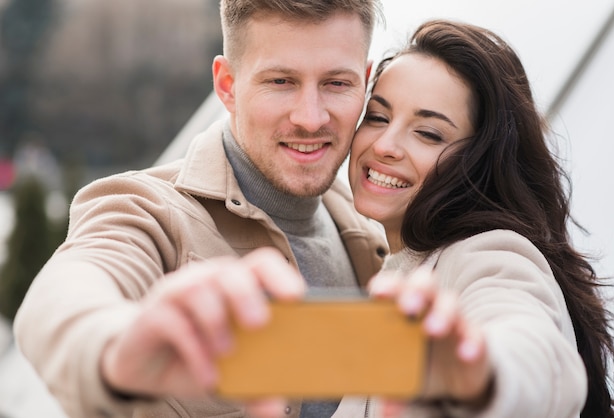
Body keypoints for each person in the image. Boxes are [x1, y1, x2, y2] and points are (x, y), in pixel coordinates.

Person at [14, 1, 388, 418]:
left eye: (337, 84)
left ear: (366, 83)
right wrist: (118, 347)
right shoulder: (146, 209)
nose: (310, 117)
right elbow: (63, 295)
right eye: (281, 81)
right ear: (227, 85)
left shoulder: (372, 233)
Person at [348, 19, 614, 418]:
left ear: (478, 161)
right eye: (377, 116)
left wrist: (480, 373)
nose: (385, 145)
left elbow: (529, 346)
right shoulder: (397, 262)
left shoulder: (489, 252)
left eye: (427, 133)